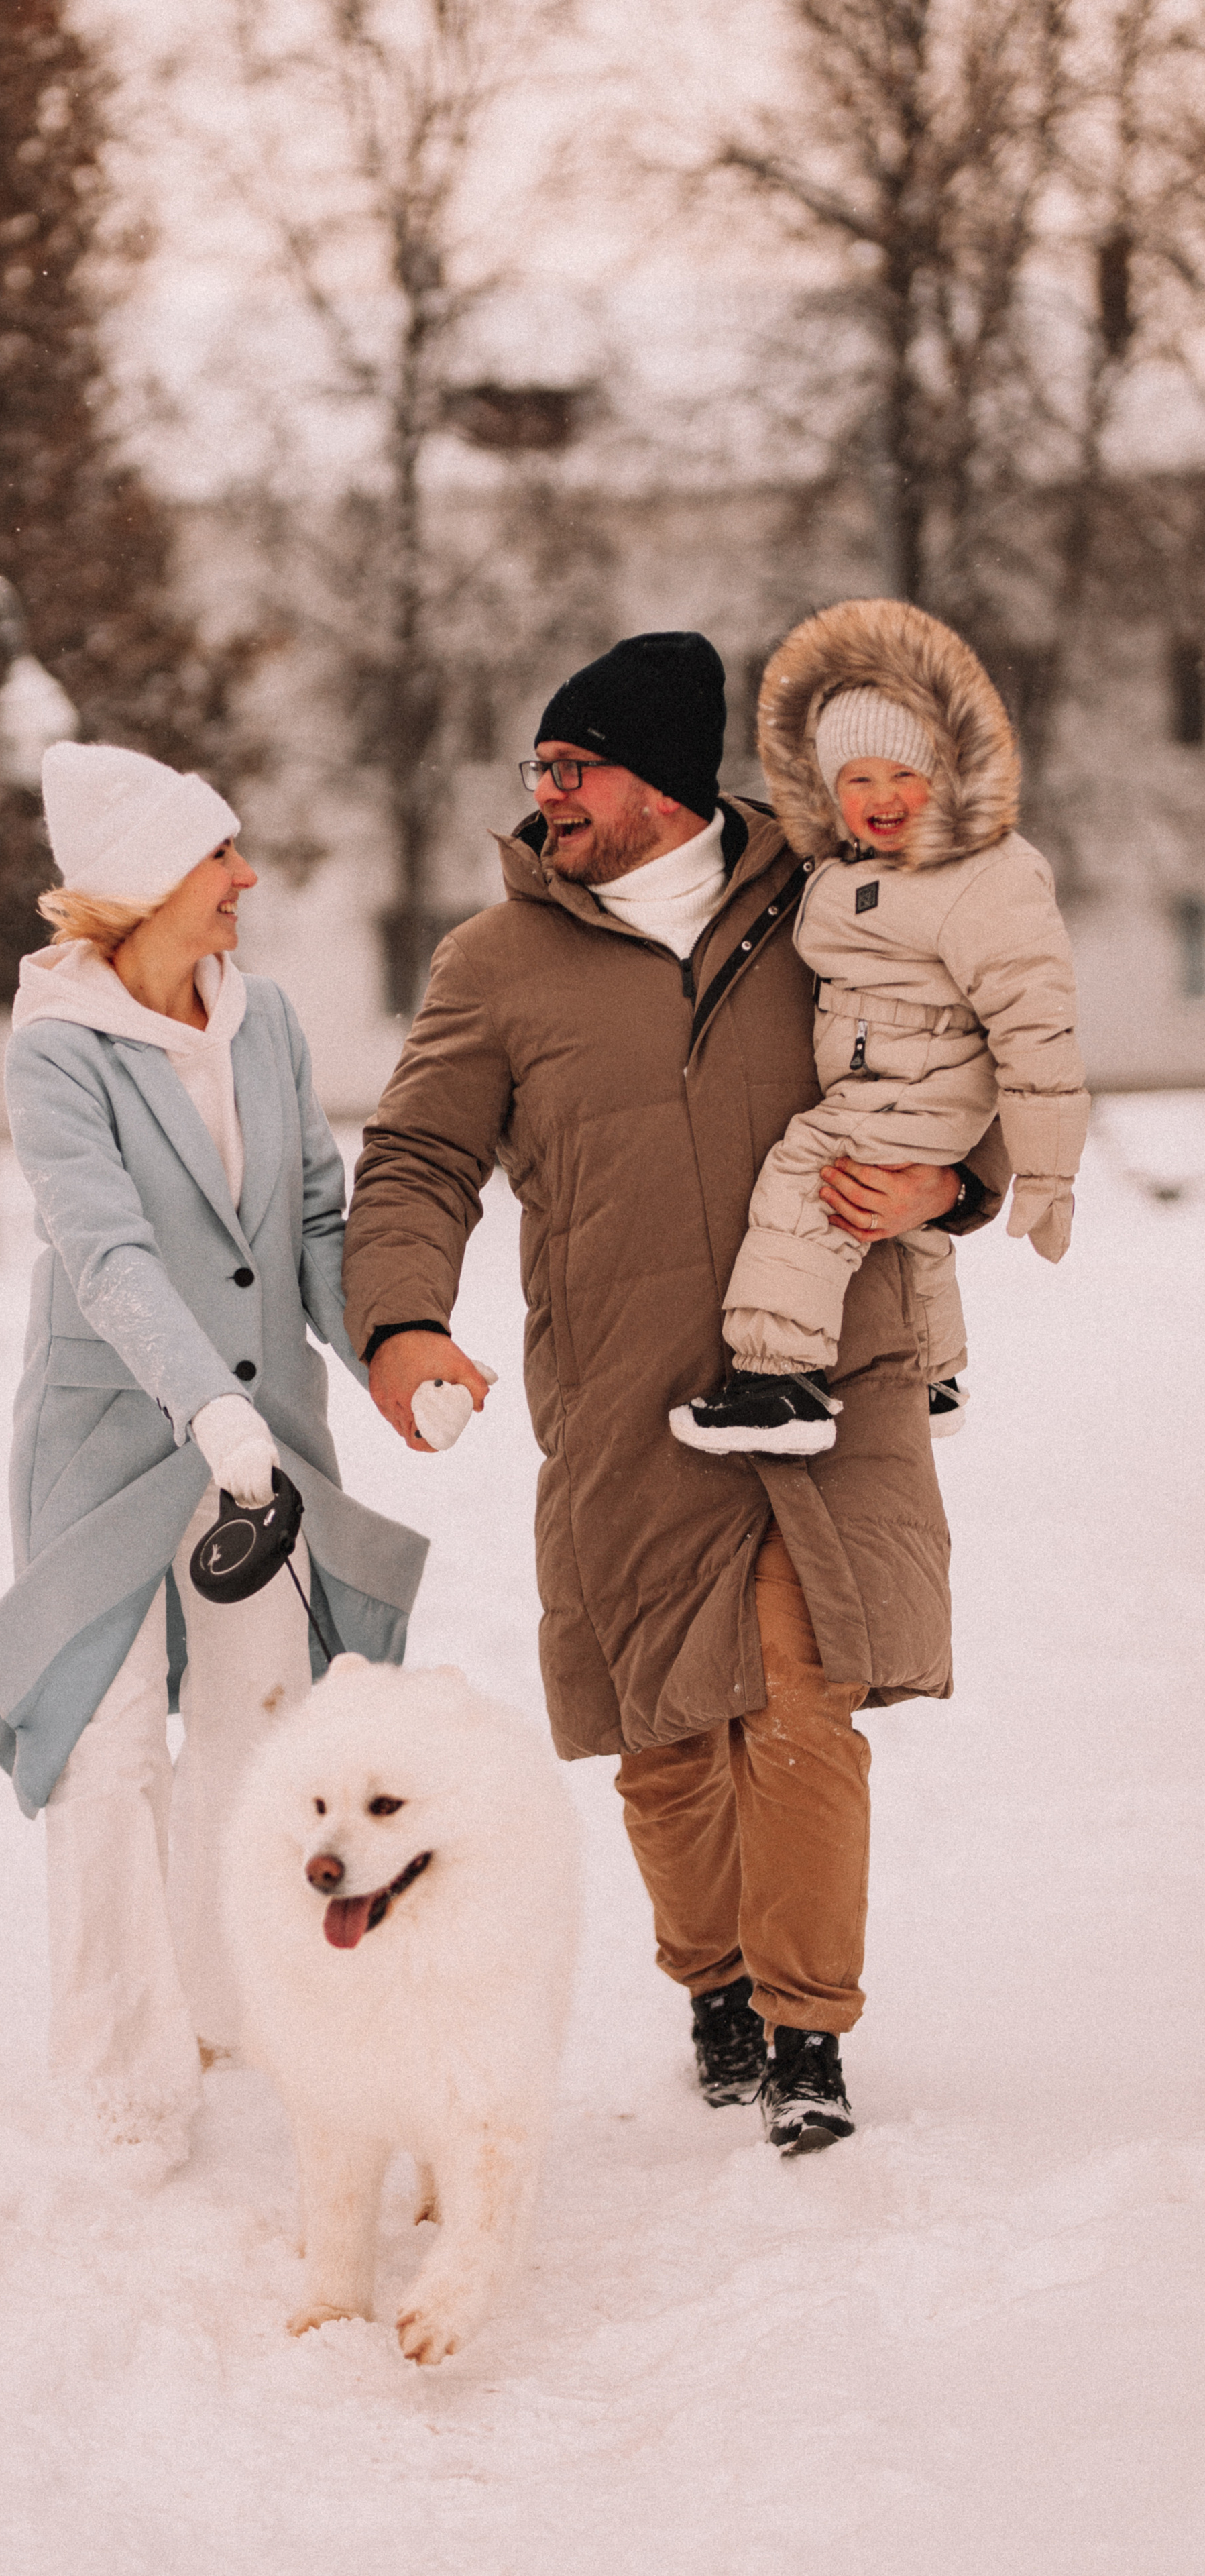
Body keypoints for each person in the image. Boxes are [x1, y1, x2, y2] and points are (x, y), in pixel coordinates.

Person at [342, 629, 1009, 2154]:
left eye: (571, 767)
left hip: (832, 1378)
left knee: (797, 1692)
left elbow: (968, 1065)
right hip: (626, 1399)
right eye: (539, 769)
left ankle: (804, 2030)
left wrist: (955, 1177)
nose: (543, 794)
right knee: (665, 1732)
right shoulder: (495, 963)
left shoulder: (838, 912)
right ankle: (708, 1975)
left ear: (658, 778)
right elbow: (417, 1158)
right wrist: (396, 1320)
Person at [0, 741, 426, 2176]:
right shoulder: (54, 1046)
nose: (246, 881)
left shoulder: (262, 1022)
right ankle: (117, 2070)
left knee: (259, 1725)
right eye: (219, 858)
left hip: (261, 1445)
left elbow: (315, 1225)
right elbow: (107, 1254)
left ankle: (243, 2014)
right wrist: (205, 1413)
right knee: (102, 1757)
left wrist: (384, 1353)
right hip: (110, 1446)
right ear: (145, 884)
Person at [669, 598, 1088, 1457]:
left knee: (811, 1175)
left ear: (949, 774)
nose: (883, 798)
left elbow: (1037, 1027)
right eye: (857, 780)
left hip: (928, 1080)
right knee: (904, 1222)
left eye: (905, 775)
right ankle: (933, 1374)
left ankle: (779, 1377)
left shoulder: (984, 874)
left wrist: (1047, 1170)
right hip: (890, 1075)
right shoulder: (846, 867)